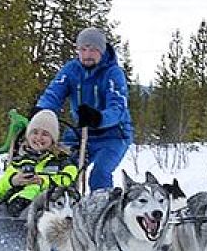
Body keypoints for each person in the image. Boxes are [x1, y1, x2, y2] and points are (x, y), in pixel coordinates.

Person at [32, 26, 133, 191]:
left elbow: (118, 107)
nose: (87, 55)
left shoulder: (113, 73)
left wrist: (98, 118)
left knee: (99, 174)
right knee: (61, 168)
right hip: (80, 131)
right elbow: (54, 94)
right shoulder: (71, 70)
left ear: (101, 51)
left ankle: (101, 209)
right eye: (83, 49)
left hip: (113, 134)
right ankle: (61, 205)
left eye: (92, 50)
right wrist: (40, 111)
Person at [0, 110, 78, 218]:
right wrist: (13, 181)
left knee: (34, 209)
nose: (39, 137)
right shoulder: (19, 161)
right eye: (35, 132)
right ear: (28, 136)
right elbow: (1, 187)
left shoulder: (61, 161)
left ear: (53, 139)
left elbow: (68, 178)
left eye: (45, 134)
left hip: (46, 204)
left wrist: (44, 181)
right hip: (14, 200)